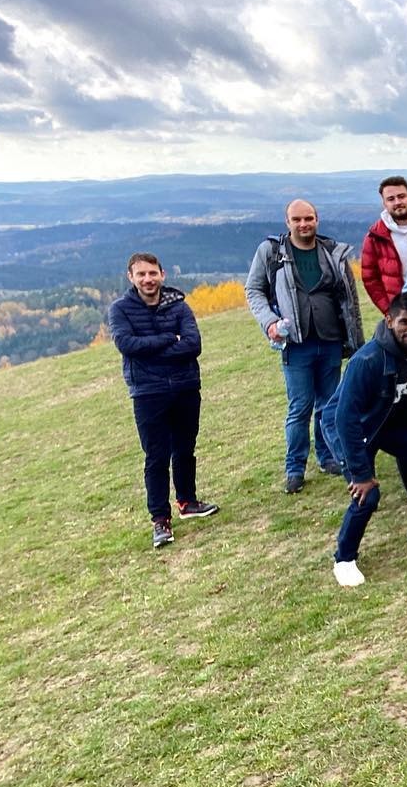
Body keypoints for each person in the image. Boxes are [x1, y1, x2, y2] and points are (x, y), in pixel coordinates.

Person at [321, 292, 407, 587]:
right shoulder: (367, 360)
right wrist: (361, 474)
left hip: (390, 421)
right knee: (367, 495)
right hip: (353, 428)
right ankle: (344, 560)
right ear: (389, 320)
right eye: (404, 322)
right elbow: (345, 418)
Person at [244, 199, 366, 494]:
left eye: (308, 218)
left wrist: (355, 341)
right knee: (300, 407)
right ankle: (295, 468)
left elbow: (350, 299)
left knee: (329, 403)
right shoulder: (272, 252)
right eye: (297, 219)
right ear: (287, 222)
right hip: (295, 343)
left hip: (330, 339)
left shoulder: (332, 252)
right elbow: (253, 290)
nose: (303, 224)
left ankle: (328, 457)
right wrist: (270, 322)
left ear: (317, 219)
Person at [108, 252, 218, 548]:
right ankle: (160, 519)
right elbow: (127, 345)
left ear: (162, 274)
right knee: (156, 456)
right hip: (148, 392)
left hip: (185, 386)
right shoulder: (120, 310)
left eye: (152, 273)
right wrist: (170, 339)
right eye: (141, 274)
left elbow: (193, 345)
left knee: (185, 448)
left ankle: (187, 501)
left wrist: (151, 351)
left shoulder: (179, 305)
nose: (148, 279)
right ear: (131, 277)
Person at [360, 176, 407, 314]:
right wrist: (389, 311)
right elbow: (370, 279)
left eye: (401, 196)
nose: (397, 202)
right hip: (403, 312)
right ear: (384, 204)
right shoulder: (376, 237)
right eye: (391, 199)